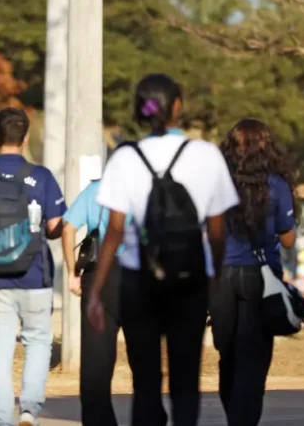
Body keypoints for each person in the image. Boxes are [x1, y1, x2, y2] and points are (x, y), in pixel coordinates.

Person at [86, 74, 240, 426]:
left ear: (139, 110)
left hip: (138, 281)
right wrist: (213, 278)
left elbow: (114, 230)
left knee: (146, 384)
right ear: (177, 106)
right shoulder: (206, 155)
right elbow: (218, 231)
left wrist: (96, 291)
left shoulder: (125, 158)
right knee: (186, 379)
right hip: (190, 279)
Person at [0, 107, 66, 426]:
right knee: (37, 342)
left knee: (0, 352)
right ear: (26, 137)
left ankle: (3, 420)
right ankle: (30, 410)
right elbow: (55, 227)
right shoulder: (42, 177)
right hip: (35, 277)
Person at [212, 119, 296, 426]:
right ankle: (242, 420)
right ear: (266, 147)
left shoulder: (216, 183)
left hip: (219, 277)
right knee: (254, 358)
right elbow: (287, 238)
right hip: (261, 277)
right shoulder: (276, 185)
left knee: (228, 354)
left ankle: (235, 416)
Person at [61, 172, 129, 426]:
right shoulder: (147, 190)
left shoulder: (96, 189)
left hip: (99, 279)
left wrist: (71, 272)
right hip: (138, 279)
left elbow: (68, 228)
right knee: (146, 365)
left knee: (95, 368)